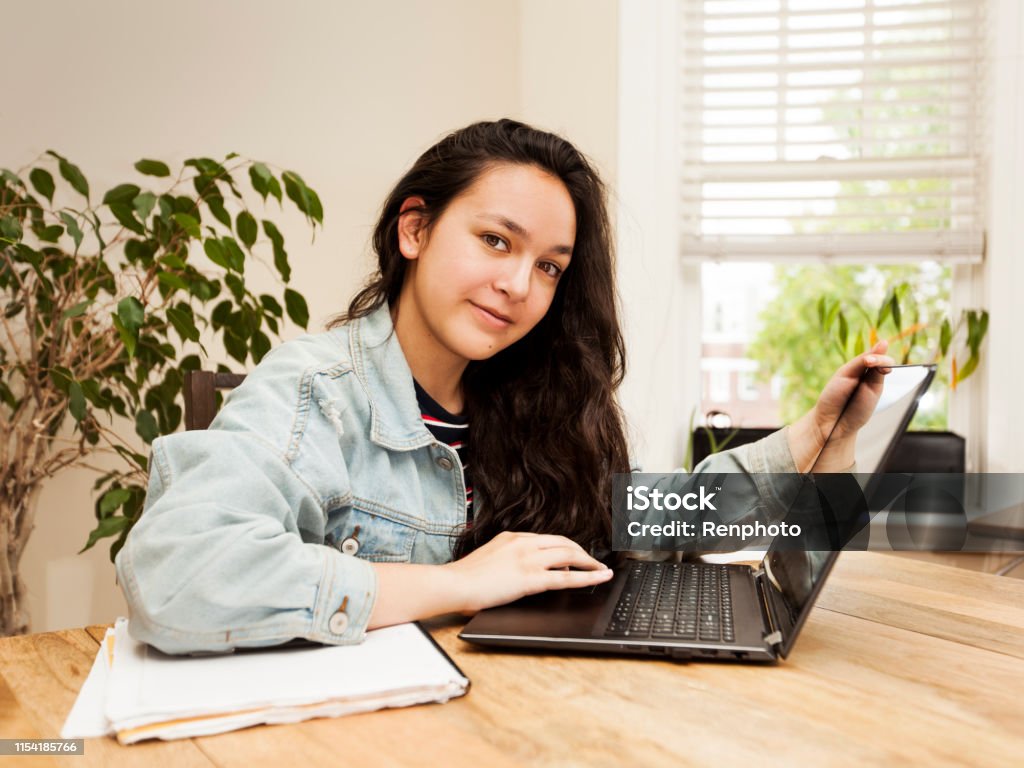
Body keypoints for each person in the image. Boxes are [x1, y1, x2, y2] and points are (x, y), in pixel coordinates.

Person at [115, 119, 894, 654]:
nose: (521, 284)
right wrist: (452, 583)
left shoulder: (534, 400)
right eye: (495, 241)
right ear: (413, 230)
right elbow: (175, 574)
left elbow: (643, 523)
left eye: (550, 266)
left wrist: (818, 435)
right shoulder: (315, 390)